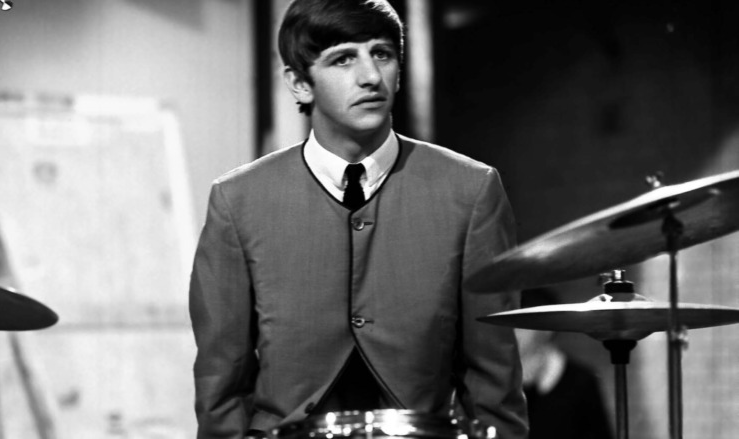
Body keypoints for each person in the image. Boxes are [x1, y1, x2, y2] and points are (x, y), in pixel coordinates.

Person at [188, 1, 527, 438]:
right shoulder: (238, 200)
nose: (370, 76)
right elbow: (221, 384)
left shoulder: (470, 190)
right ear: (299, 83)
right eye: (343, 58)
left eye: (382, 54)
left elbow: (494, 380)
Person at [516, 288, 614, 439]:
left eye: (520, 325)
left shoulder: (581, 381)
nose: (512, 331)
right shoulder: (495, 379)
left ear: (546, 330)